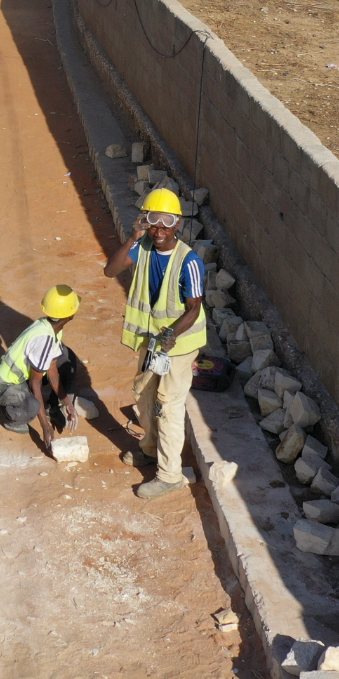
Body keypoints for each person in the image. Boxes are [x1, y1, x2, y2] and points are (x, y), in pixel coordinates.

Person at [104, 187, 206, 498]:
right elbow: (110, 270)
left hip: (179, 341)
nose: (159, 230)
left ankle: (170, 474)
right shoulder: (143, 246)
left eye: (165, 222)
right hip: (152, 339)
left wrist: (170, 336)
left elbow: (194, 307)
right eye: (152, 221)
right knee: (144, 392)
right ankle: (148, 448)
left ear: (178, 224)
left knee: (167, 403)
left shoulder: (189, 261)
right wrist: (133, 238)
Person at [0, 285, 82, 454]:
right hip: (5, 386)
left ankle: (53, 407)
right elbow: (35, 383)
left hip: (25, 378)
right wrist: (45, 426)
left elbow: (52, 370)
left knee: (67, 358)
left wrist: (67, 402)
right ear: (71, 315)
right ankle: (2, 412)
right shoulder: (43, 339)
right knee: (30, 408)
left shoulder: (52, 328)